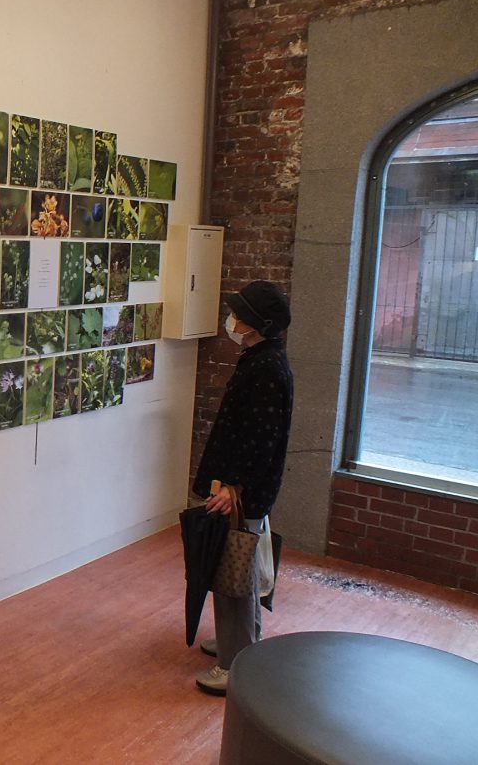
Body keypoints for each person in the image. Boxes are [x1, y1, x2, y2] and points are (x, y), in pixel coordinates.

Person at [191, 280, 294, 695]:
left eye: (240, 314)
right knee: (237, 565)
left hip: (243, 489)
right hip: (243, 485)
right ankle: (240, 643)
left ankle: (234, 663)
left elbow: (259, 438)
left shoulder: (266, 368)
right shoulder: (260, 358)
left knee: (233, 569)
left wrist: (234, 486)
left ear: (258, 324)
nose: (232, 320)